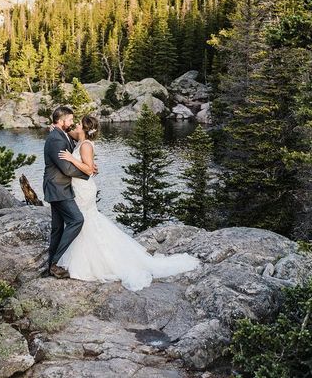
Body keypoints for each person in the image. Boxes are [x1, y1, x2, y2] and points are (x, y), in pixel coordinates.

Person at [56, 114, 201, 291]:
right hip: (79, 187)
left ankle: (96, 262)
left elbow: (88, 170)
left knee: (86, 220)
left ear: (85, 129)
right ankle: (90, 259)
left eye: (78, 125)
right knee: (86, 221)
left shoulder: (85, 145)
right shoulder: (82, 141)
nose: (75, 127)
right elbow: (71, 140)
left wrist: (71, 159)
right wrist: (54, 128)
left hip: (83, 189)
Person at [43, 105, 98, 278]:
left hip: (61, 187)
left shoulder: (63, 134)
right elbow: (66, 168)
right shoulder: (56, 139)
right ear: (61, 121)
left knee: (58, 228)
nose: (73, 123)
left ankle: (52, 264)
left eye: (75, 121)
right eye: (71, 120)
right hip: (59, 187)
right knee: (77, 220)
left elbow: (78, 142)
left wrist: (88, 166)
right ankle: (56, 262)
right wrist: (88, 172)